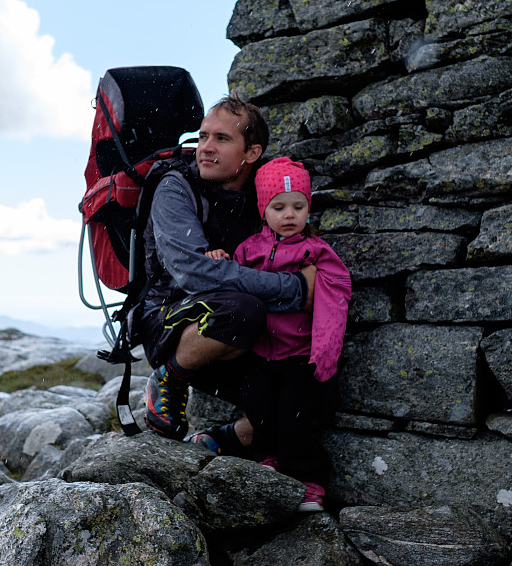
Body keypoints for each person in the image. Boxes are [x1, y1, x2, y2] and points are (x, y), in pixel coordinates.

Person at [137, 94, 317, 454]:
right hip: (170, 319)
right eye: (203, 136)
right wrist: (295, 288)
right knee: (243, 309)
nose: (205, 147)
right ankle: (168, 379)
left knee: (293, 399)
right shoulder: (175, 187)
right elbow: (194, 274)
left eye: (221, 139)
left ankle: (214, 440)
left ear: (251, 153)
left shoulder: (266, 197)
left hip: (243, 336)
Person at [203, 157, 351, 512]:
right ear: (263, 211)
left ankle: (310, 483)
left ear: (308, 210)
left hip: (299, 355)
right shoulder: (249, 249)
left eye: (298, 206)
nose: (289, 215)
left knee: (296, 417)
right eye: (279, 207)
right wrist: (219, 257)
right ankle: (270, 459)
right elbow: (230, 281)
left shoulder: (315, 251)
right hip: (259, 354)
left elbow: (336, 294)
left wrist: (325, 354)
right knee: (260, 409)